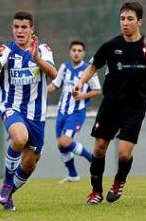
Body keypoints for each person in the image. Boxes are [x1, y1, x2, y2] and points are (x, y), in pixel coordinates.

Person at [73, 1, 146, 205]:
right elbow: (93, 66)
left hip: (135, 106)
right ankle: (96, 191)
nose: (125, 23)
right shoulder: (111, 46)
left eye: (130, 19)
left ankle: (118, 181)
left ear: (139, 21)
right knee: (99, 148)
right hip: (111, 104)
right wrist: (80, 82)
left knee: (123, 153)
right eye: (122, 18)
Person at [0, 11, 57, 210]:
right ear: (12, 29)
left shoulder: (43, 49)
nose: (20, 31)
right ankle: (6, 183)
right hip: (11, 106)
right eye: (16, 27)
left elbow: (54, 75)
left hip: (36, 113)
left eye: (24, 27)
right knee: (19, 138)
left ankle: (8, 195)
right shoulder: (5, 50)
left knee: (30, 163)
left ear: (31, 29)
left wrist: (37, 59)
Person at [47, 41, 101, 183]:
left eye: (79, 50)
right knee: (61, 145)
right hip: (61, 112)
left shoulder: (88, 70)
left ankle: (91, 158)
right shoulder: (64, 67)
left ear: (83, 53)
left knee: (65, 142)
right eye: (74, 50)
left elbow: (97, 90)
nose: (76, 52)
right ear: (70, 52)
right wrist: (39, 92)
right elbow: (55, 85)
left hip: (76, 113)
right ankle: (73, 175)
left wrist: (83, 96)